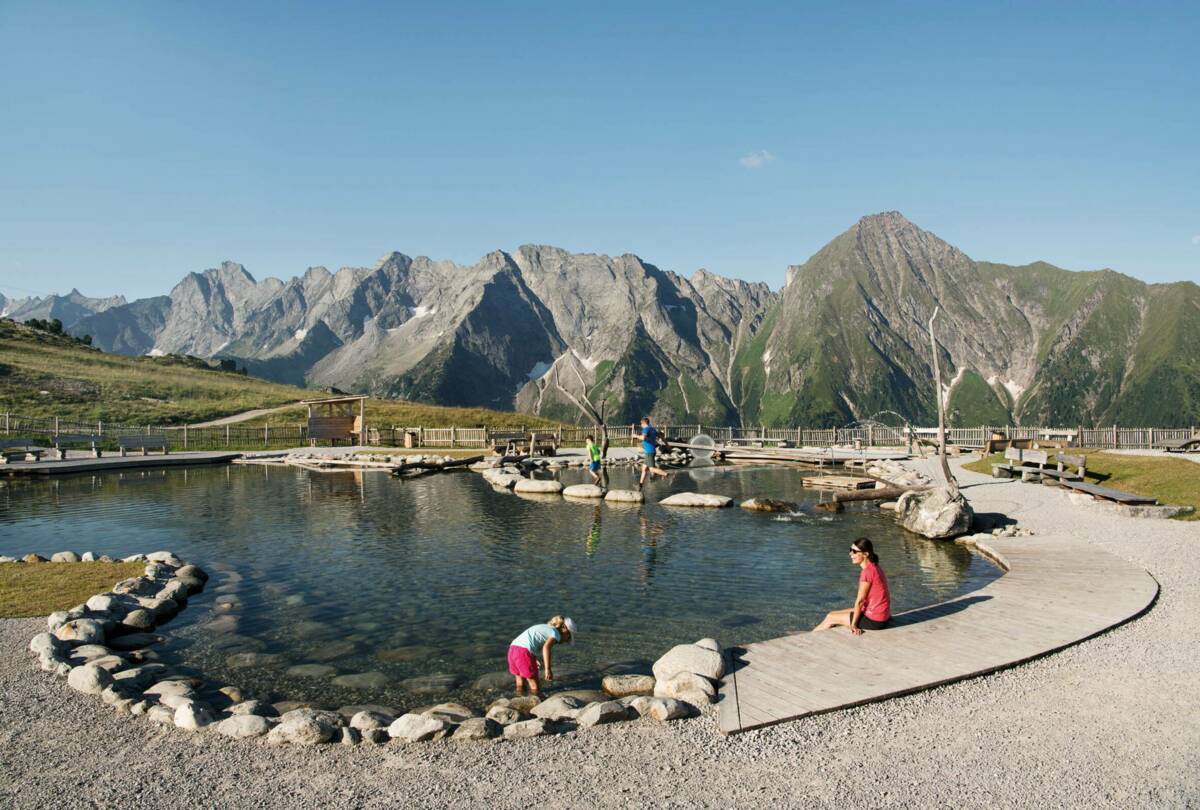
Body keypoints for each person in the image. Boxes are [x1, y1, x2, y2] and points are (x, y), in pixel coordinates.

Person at [813, 537, 891, 634]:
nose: (850, 554)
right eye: (850, 550)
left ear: (865, 554)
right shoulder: (875, 566)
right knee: (831, 614)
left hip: (874, 620)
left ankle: (807, 639)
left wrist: (853, 625)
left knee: (831, 618)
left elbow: (860, 601)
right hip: (882, 616)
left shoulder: (867, 572)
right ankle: (814, 633)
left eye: (854, 551)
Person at [507, 615, 577, 695]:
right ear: (564, 630)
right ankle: (537, 703)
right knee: (535, 685)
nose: (566, 641)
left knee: (520, 682)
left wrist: (532, 658)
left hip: (512, 649)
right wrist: (548, 669)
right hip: (524, 652)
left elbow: (530, 640)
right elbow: (546, 648)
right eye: (568, 638)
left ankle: (519, 698)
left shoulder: (545, 627)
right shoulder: (556, 633)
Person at [637, 417, 669, 489]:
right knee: (644, 468)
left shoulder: (646, 429)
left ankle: (666, 474)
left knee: (651, 469)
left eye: (641, 423)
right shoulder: (653, 429)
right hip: (651, 451)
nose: (640, 425)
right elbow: (661, 437)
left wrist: (636, 436)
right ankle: (640, 485)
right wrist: (667, 445)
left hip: (649, 452)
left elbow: (643, 438)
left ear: (644, 423)